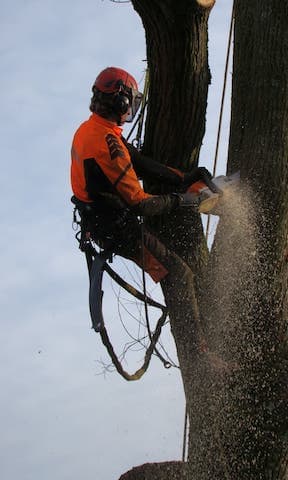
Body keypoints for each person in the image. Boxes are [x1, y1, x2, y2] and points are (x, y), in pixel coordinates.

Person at [70, 66, 211, 358]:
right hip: (117, 228)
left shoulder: (93, 129)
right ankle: (201, 354)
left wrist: (184, 177)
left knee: (178, 270)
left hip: (102, 217)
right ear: (120, 102)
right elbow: (141, 204)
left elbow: (139, 161)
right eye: (130, 102)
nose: (130, 108)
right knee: (180, 275)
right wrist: (184, 200)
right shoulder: (106, 144)